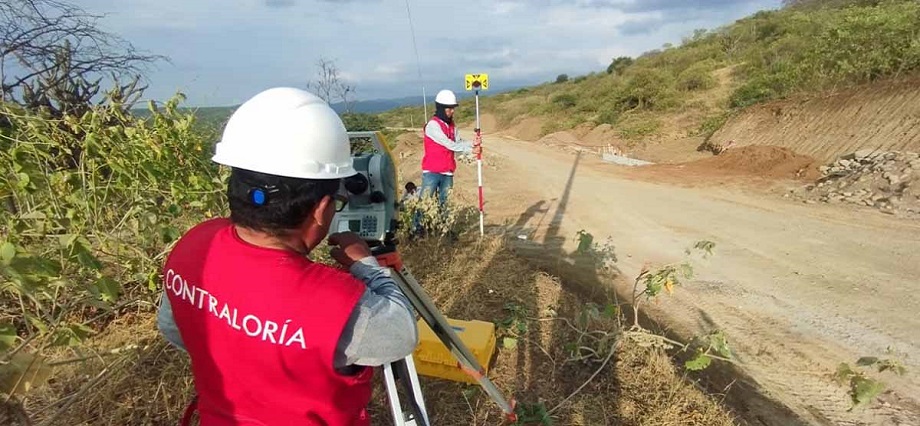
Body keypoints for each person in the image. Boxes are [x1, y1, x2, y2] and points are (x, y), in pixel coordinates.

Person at [156, 87, 418, 426]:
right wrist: (367, 266)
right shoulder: (334, 302)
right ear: (322, 209)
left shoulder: (195, 245)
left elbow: (173, 327)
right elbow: (401, 333)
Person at [420, 89, 482, 208]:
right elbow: (449, 144)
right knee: (424, 206)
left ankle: (443, 226)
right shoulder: (433, 125)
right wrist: (471, 150)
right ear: (441, 108)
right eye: (449, 108)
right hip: (432, 172)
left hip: (447, 172)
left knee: (445, 206)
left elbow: (458, 142)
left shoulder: (452, 126)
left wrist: (472, 143)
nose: (452, 111)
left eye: (453, 108)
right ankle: (418, 227)